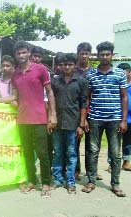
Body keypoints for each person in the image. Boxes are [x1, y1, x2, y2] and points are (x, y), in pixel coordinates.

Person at [3, 41, 57, 197]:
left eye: (24, 52)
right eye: (18, 53)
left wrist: (53, 115)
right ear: (15, 55)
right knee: (27, 153)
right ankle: (32, 180)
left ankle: (46, 182)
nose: (21, 55)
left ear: (29, 53)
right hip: (22, 119)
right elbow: (13, 96)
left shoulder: (40, 69)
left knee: (43, 153)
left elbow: (50, 92)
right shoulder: (15, 74)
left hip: (39, 118)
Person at [82, 41, 127, 197]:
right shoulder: (91, 74)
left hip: (114, 119)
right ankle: (91, 181)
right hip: (95, 118)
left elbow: (124, 97)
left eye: (108, 54)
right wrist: (85, 118)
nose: (105, 57)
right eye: (102, 54)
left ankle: (115, 184)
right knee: (93, 151)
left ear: (112, 55)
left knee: (115, 153)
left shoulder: (120, 74)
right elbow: (87, 97)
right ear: (98, 55)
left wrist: (123, 120)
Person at [50, 53, 87, 194]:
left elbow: (83, 104)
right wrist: (50, 119)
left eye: (70, 64)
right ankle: (58, 179)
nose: (67, 67)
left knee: (71, 154)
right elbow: (51, 102)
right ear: (61, 66)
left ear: (75, 65)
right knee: (58, 152)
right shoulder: (55, 81)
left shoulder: (81, 81)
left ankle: (70, 182)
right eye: (65, 64)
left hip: (73, 124)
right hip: (57, 123)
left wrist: (81, 125)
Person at [74, 42, 93, 181]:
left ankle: (91, 171)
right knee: (75, 143)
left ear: (90, 55)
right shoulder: (72, 71)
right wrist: (82, 118)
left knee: (91, 146)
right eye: (82, 53)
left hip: (93, 113)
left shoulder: (94, 72)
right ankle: (76, 170)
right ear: (78, 54)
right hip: (77, 112)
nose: (84, 56)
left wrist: (87, 116)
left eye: (87, 53)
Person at [118, 63, 131, 171]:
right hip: (117, 117)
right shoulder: (117, 85)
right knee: (115, 141)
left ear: (129, 72)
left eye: (123, 72)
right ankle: (112, 163)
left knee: (128, 141)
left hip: (130, 119)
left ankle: (126, 161)